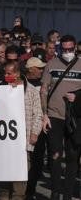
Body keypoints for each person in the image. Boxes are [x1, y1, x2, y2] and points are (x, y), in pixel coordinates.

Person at [40, 35, 81, 200]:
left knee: (72, 157)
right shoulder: (51, 64)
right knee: (55, 156)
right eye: (64, 49)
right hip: (54, 116)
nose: (67, 52)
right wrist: (44, 114)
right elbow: (43, 90)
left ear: (76, 47)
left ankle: (68, 194)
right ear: (59, 48)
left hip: (76, 117)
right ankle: (55, 191)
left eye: (70, 49)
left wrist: (77, 97)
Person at [0, 61, 42, 200]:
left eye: (9, 73)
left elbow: (38, 114)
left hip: (23, 141)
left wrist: (34, 133)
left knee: (20, 177)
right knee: (4, 177)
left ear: (17, 74)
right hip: (4, 141)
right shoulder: (0, 88)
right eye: (5, 73)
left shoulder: (31, 91)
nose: (6, 75)